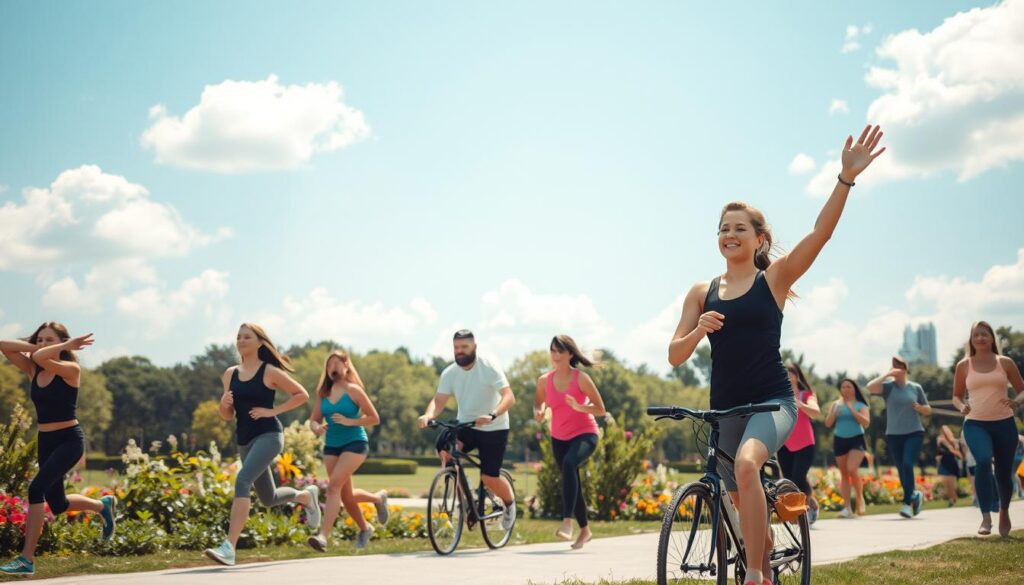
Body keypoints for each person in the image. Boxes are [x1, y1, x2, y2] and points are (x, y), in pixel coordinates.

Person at [668, 126, 886, 585]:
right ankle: (763, 565)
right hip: (725, 408)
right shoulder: (701, 291)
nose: (730, 234)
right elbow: (674, 355)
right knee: (743, 507)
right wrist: (698, 330)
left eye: (739, 228)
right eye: (723, 229)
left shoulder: (774, 280)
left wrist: (845, 178)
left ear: (759, 239)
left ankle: (752, 575)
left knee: (748, 465)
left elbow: (820, 234)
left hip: (772, 402)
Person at [0, 324, 115, 577]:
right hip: (46, 440)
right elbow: (4, 346)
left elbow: (42, 356)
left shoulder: (71, 369)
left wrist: (58, 347)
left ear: (63, 342)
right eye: (39, 339)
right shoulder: (34, 370)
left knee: (36, 489)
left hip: (69, 440)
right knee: (58, 504)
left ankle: (26, 559)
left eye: (48, 339)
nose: (42, 344)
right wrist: (40, 346)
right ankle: (102, 505)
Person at [204, 323, 321, 566]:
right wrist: (224, 404)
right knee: (269, 498)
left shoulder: (269, 371)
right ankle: (306, 497)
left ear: (260, 342)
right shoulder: (230, 374)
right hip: (244, 439)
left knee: (242, 481)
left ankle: (229, 548)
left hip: (269, 436)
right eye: (239, 337)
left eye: (247, 337)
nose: (241, 340)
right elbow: (227, 415)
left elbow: (301, 394)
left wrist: (272, 411)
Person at [417, 329, 517, 530]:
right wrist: (428, 415)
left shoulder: (488, 367)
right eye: (456, 347)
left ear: (475, 347)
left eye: (464, 347)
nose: (460, 351)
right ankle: (464, 500)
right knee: (446, 449)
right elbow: (438, 401)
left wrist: (492, 415)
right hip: (466, 425)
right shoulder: (450, 373)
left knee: (489, 478)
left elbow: (509, 397)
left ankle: (509, 504)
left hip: (494, 427)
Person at [307, 350, 389, 552]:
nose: (332, 367)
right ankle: (372, 513)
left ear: (346, 366)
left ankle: (323, 537)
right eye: (329, 365)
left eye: (336, 363)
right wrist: (316, 428)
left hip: (355, 443)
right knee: (346, 495)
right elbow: (314, 419)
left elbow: (374, 418)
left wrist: (350, 421)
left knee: (333, 487)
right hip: (331, 446)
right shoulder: (323, 393)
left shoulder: (354, 390)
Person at [951, 321, 1024, 537]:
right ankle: (985, 517)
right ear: (971, 339)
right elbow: (956, 396)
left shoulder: (1005, 363)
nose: (980, 338)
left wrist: (1017, 402)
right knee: (982, 461)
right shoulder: (964, 365)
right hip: (975, 423)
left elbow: (1022, 390)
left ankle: (1004, 511)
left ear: (992, 338)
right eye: (976, 335)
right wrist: (961, 406)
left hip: (1004, 423)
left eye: (984, 334)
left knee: (1003, 473)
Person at [533, 335, 606, 549]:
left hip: (585, 434)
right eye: (553, 351)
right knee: (571, 478)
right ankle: (585, 530)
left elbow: (601, 409)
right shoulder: (544, 380)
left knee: (569, 463)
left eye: (560, 351)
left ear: (570, 354)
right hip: (559, 438)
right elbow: (537, 403)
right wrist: (538, 412)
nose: (555, 355)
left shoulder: (581, 378)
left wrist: (579, 407)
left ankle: (567, 522)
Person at [866, 355, 931, 519]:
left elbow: (928, 409)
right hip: (894, 435)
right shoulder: (888, 387)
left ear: (905, 368)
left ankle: (907, 503)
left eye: (899, 365)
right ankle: (914, 495)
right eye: (893, 365)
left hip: (914, 432)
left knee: (908, 464)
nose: (896, 368)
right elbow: (870, 387)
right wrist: (887, 375)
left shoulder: (915, 387)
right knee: (902, 469)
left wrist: (921, 408)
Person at [777, 361, 820, 524]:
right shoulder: (779, 395)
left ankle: (802, 512)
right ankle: (809, 504)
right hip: (784, 444)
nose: (787, 376)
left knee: (798, 477)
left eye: (790, 373)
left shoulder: (807, 394)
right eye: (784, 373)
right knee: (788, 480)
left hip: (805, 443)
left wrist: (800, 404)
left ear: (797, 376)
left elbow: (816, 412)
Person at [823, 378, 870, 518]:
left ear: (854, 389)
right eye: (843, 387)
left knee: (851, 469)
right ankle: (847, 508)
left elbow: (866, 422)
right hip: (840, 440)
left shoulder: (861, 405)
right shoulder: (835, 404)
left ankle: (860, 499)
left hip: (856, 439)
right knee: (844, 473)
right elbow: (827, 423)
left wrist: (852, 410)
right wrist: (833, 414)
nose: (845, 389)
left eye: (849, 386)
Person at [935, 425, 963, 507]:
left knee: (951, 485)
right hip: (943, 464)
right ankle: (952, 499)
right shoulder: (940, 440)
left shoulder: (954, 441)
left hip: (951, 463)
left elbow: (959, 454)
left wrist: (953, 449)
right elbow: (939, 450)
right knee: (945, 484)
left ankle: (953, 499)